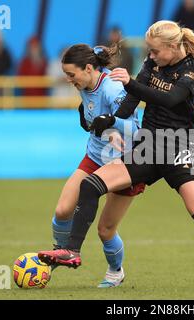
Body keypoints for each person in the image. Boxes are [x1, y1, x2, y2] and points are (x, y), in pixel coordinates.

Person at [39, 20, 194, 290]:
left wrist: (129, 83)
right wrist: (111, 121)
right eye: (149, 52)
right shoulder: (152, 64)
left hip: (178, 147)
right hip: (148, 147)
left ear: (172, 47)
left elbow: (169, 99)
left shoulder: (191, 71)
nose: (150, 57)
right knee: (91, 184)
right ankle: (72, 251)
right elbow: (129, 105)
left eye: (154, 52)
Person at [47, 43, 144, 288]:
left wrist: (113, 127)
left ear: (88, 68)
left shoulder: (113, 89)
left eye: (71, 74)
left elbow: (135, 129)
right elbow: (92, 114)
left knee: (105, 230)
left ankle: (115, 271)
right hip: (95, 156)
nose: (69, 80)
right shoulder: (85, 83)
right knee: (62, 211)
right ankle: (61, 251)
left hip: (125, 162)